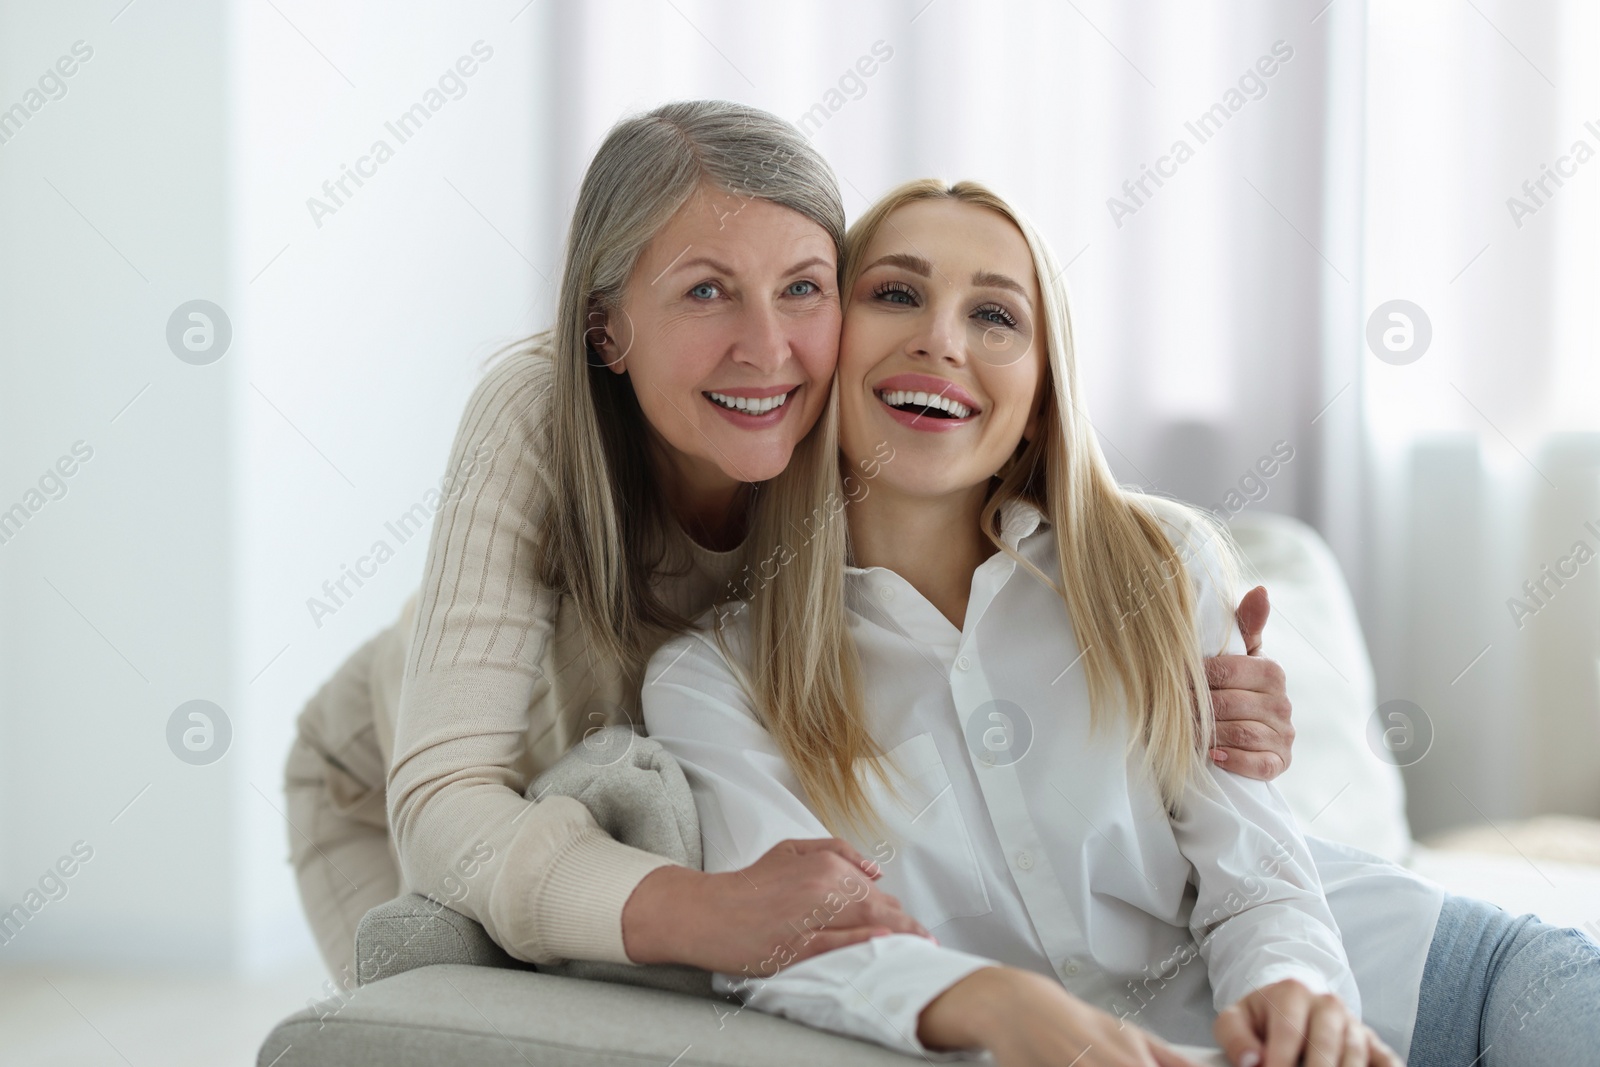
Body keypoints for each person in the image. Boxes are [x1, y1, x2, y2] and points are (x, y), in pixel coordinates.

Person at [283, 100, 1299, 986]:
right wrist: (697, 908)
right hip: (393, 791)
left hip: (635, 812)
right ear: (605, 329)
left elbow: (1025, 487)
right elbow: (446, 804)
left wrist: (1194, 679)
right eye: (704, 289)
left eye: (804, 287)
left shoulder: (853, 403)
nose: (767, 349)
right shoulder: (538, 418)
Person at [640, 179, 1600, 1067]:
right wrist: (995, 1001)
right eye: (896, 294)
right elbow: (793, 940)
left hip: (1440, 983)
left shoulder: (1154, 567)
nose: (942, 339)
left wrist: (1293, 997)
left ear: (1038, 398)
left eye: (994, 315)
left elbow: (1256, 874)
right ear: (826, 341)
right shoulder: (714, 682)